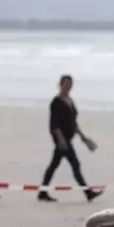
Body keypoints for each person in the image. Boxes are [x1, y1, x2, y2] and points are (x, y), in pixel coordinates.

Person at [39, 73, 100, 202]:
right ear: (60, 85)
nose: (68, 87)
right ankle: (87, 192)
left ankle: (42, 192)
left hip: (68, 138)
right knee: (75, 165)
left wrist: (83, 138)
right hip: (62, 140)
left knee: (54, 165)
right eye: (66, 84)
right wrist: (61, 140)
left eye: (70, 85)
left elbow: (73, 123)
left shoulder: (70, 101)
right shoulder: (56, 102)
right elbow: (54, 124)